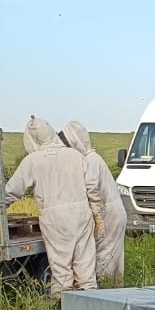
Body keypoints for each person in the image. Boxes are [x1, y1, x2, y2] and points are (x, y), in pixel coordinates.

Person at [4, 117, 96, 295]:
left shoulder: (33, 160)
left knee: (61, 267)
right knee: (85, 264)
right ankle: (91, 303)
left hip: (55, 219)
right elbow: (93, 187)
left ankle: (63, 305)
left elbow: (11, 191)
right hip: (82, 213)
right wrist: (96, 212)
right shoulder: (75, 155)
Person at [61, 120, 127, 283]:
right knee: (112, 255)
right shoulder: (91, 158)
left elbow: (90, 192)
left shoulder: (90, 161)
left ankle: (105, 290)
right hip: (112, 212)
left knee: (105, 255)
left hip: (108, 214)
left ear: (75, 141)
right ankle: (115, 287)